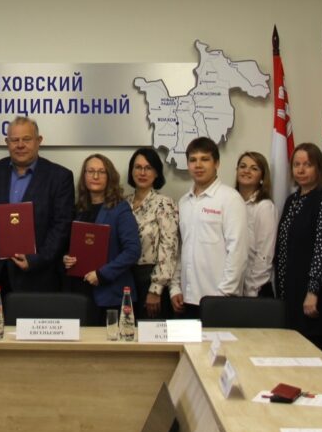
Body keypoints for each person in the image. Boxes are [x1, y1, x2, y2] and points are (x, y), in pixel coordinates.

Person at [0, 116, 74, 298]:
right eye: (15, 140)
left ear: (39, 141)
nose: (20, 145)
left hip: (39, 276)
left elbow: (62, 226)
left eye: (27, 139)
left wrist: (37, 259)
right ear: (7, 142)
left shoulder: (60, 177)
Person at [170, 137, 248, 319]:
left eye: (205, 159)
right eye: (193, 160)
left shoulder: (230, 199)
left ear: (217, 164)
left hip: (219, 300)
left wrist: (224, 295)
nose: (198, 165)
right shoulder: (184, 202)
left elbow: (238, 252)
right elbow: (180, 249)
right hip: (186, 298)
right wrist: (175, 288)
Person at [63, 154, 140, 324]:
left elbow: (132, 251)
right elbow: (72, 246)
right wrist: (67, 258)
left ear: (109, 177)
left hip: (109, 293)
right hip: (80, 293)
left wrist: (102, 274)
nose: (95, 176)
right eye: (90, 171)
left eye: (101, 172)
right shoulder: (78, 209)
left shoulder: (120, 209)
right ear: (84, 176)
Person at [275, 143, 322, 351]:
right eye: (296, 165)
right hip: (289, 289)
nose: (301, 170)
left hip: (311, 293)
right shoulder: (292, 200)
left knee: (310, 351)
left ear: (318, 168)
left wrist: (313, 291)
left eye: (307, 165)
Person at [126, 147, 178, 319]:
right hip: (125, 278)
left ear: (156, 173)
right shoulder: (122, 203)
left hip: (150, 280)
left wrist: (156, 289)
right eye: (138, 167)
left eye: (148, 168)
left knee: (148, 332)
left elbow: (169, 248)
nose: (142, 172)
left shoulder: (164, 204)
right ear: (131, 171)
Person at [235, 151, 277, 297]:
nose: (246, 171)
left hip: (256, 289)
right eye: (243, 166)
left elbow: (265, 253)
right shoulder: (232, 203)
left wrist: (253, 288)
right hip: (235, 286)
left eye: (254, 168)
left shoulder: (264, 207)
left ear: (262, 177)